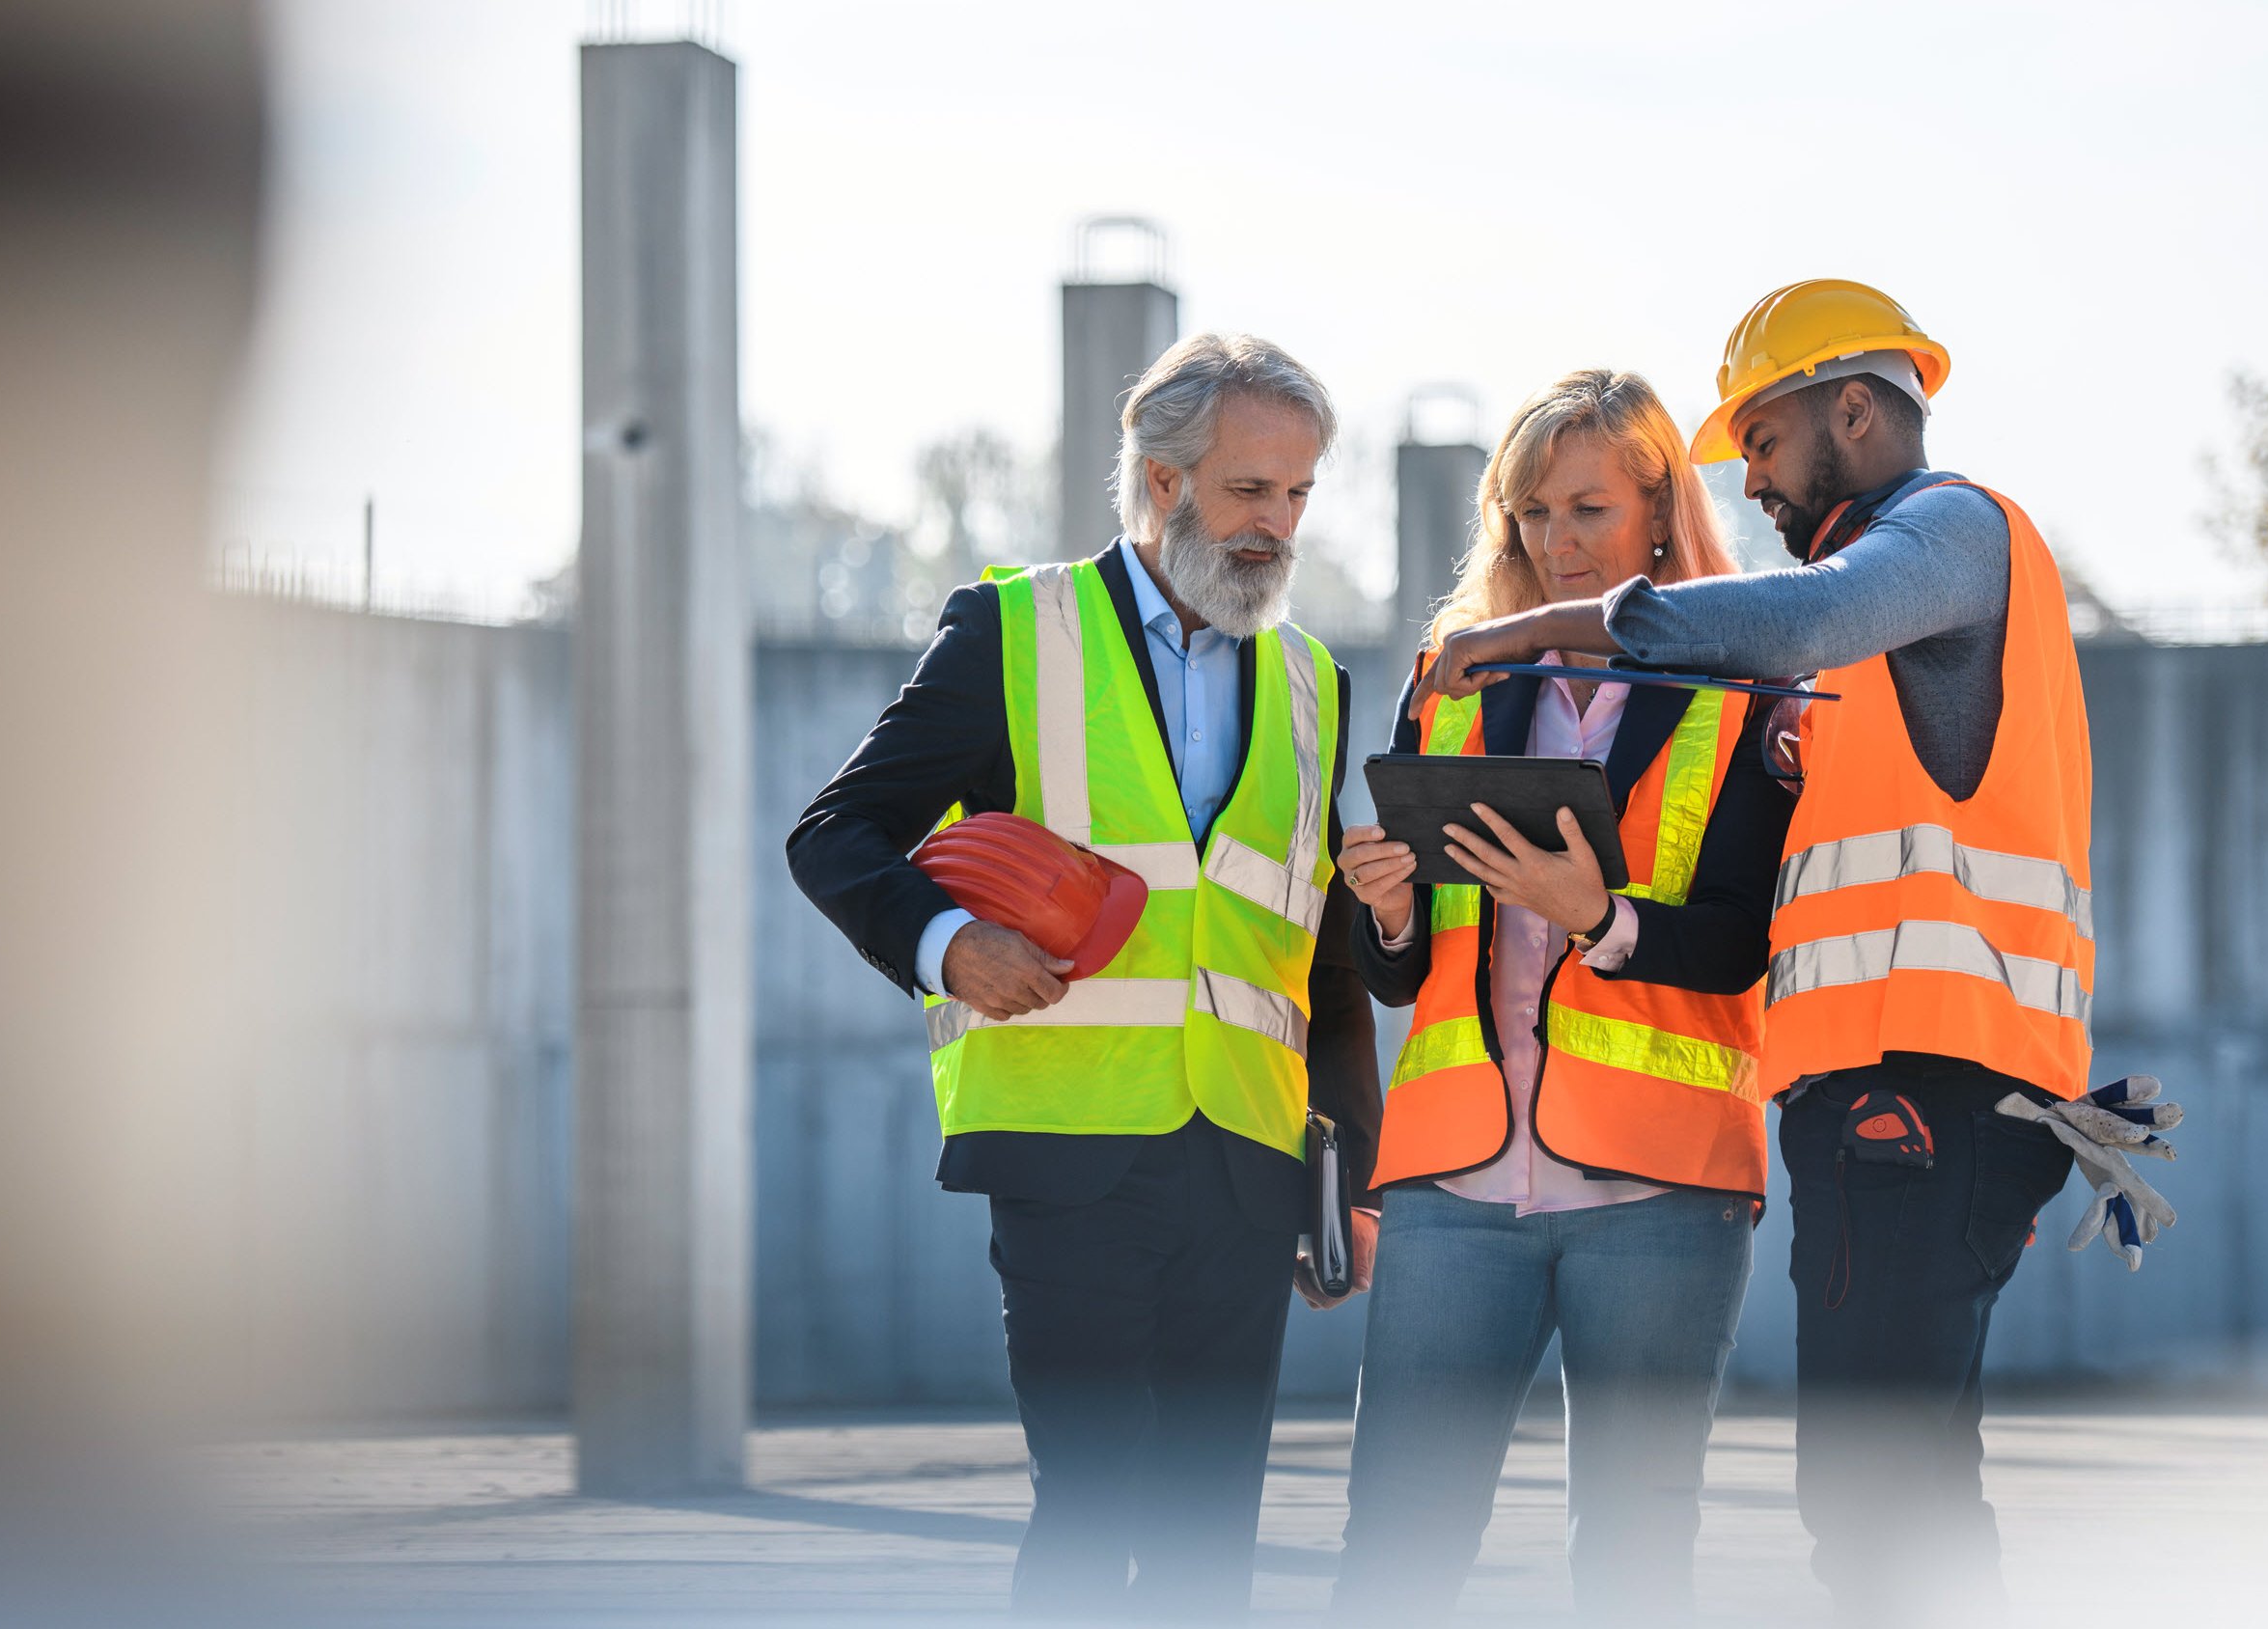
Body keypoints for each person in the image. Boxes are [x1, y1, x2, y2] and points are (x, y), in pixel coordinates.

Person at [1417, 281, 2094, 1624]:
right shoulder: (1873, 638)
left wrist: (1519, 631)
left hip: (1933, 1090)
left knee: (1878, 1501)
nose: (1759, 488)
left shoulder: (1949, 530)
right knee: (1898, 1495)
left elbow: (1786, 623)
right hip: (1882, 1097)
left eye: (1768, 444)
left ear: (1855, 407)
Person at [787, 332, 1383, 1620]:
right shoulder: (1015, 632)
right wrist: (951, 944)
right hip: (1068, 1152)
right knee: (1096, 1503)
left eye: (1296, 494)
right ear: (1163, 483)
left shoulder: (1312, 683)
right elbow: (833, 835)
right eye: (1247, 491)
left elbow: (1319, 958)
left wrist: (1354, 1181)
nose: (1277, 525)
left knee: (1213, 1533)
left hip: (1246, 1160)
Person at [1328, 372, 1790, 1624]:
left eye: (1586, 508)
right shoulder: (1456, 679)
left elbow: (1747, 938)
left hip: (1662, 1193)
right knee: (1395, 1553)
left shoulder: (1748, 684)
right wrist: (1385, 905)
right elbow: (1399, 977)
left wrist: (1601, 916)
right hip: (1454, 1189)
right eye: (1530, 512)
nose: (1554, 540)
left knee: (1634, 1564)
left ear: (1658, 515)